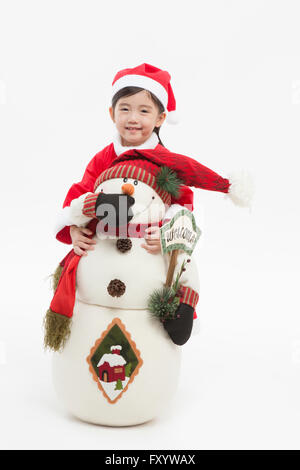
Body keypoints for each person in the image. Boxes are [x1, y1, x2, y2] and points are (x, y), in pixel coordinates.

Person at [54, 63, 195, 257]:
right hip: (105, 248)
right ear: (112, 113)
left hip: (147, 252)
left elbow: (183, 205)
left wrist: (167, 235)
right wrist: (73, 229)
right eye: (125, 109)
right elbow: (80, 194)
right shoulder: (103, 159)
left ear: (160, 118)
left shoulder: (166, 163)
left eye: (144, 111)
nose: (133, 119)